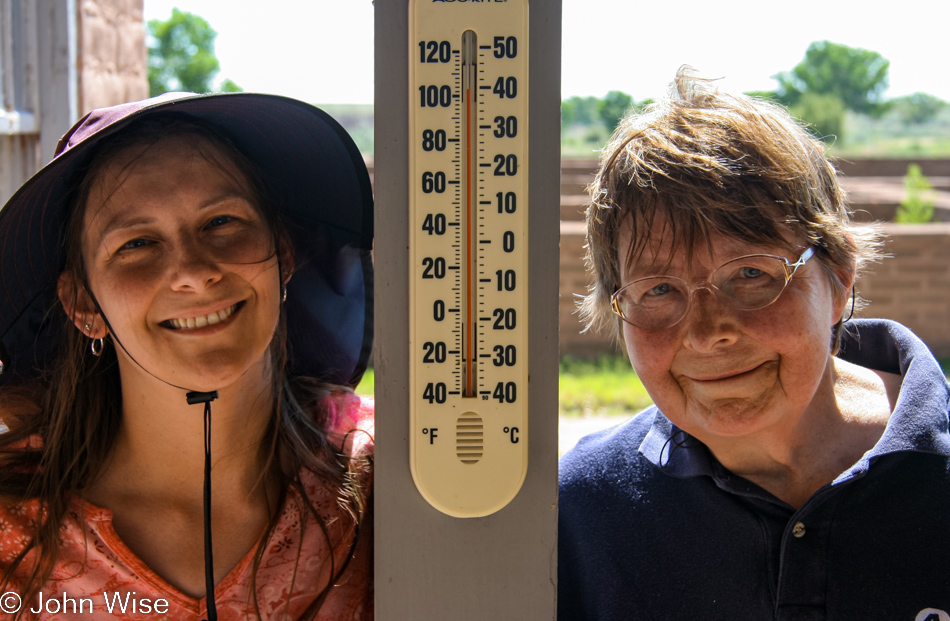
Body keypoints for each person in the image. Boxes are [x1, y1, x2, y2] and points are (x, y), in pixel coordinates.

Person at [558, 67, 950, 620]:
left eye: (750, 275)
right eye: (660, 289)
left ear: (839, 278)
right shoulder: (578, 512)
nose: (706, 331)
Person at [0, 92, 375, 620]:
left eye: (221, 222)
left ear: (283, 253)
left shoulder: (387, 480)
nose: (194, 271)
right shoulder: (11, 533)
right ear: (83, 303)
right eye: (136, 244)